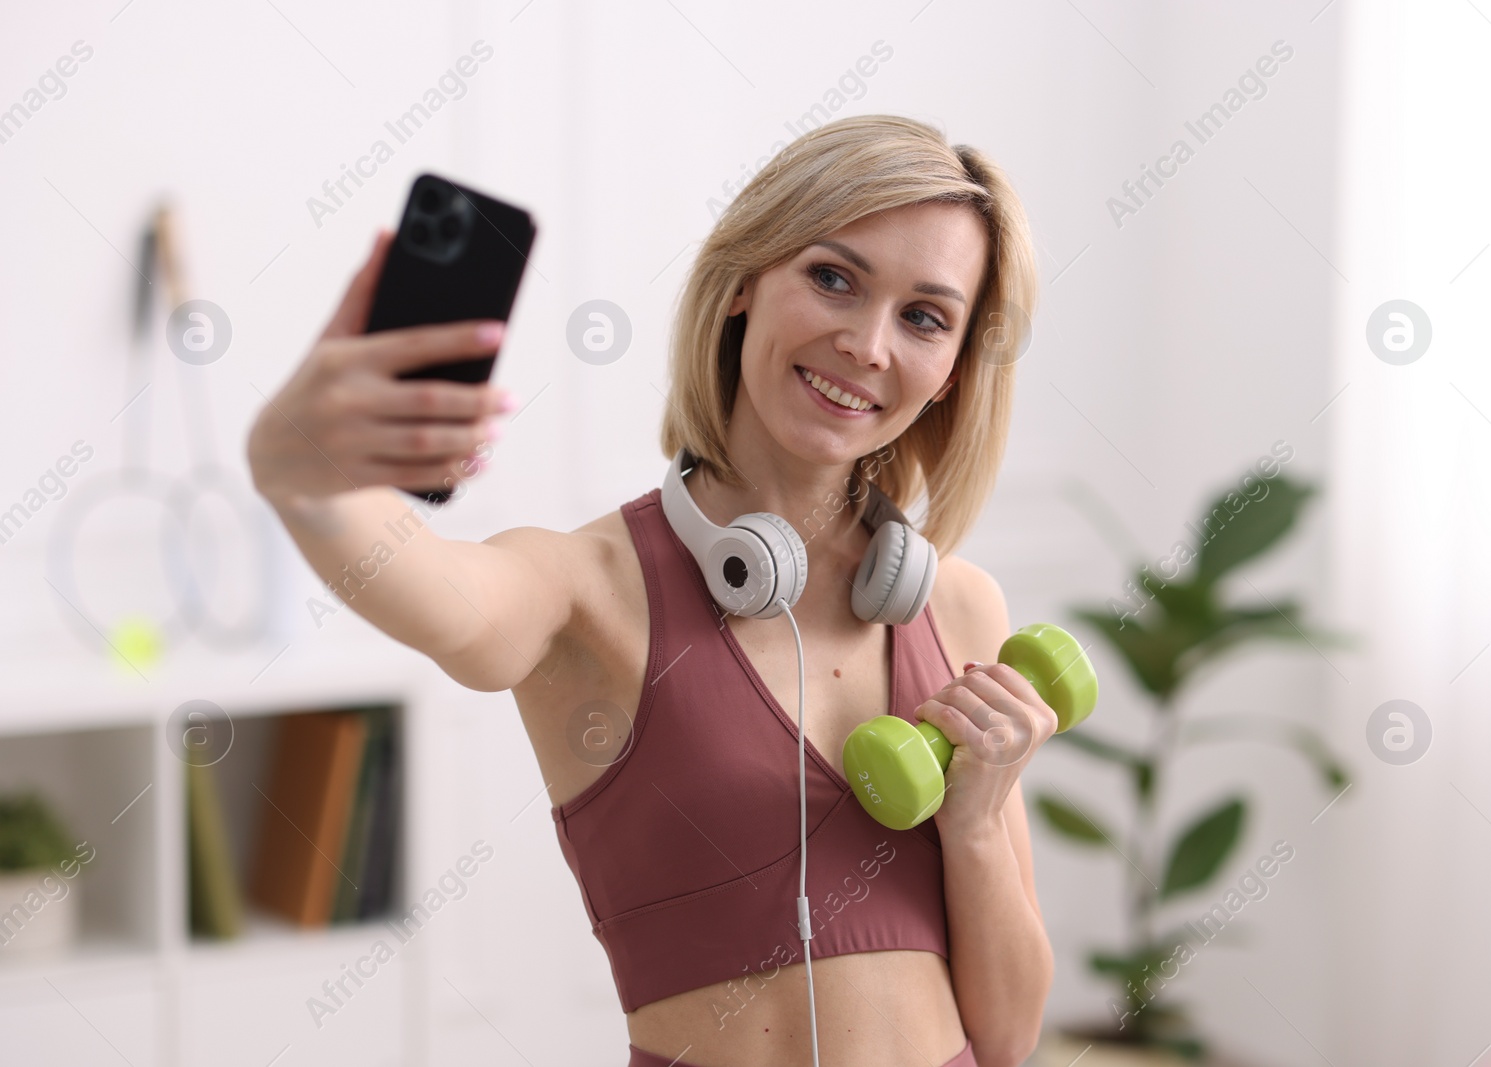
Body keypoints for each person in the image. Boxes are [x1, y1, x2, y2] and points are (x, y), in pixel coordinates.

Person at [248, 114, 1053, 1067]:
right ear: (746, 282)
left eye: (925, 316)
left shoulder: (960, 607)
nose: (868, 344)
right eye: (833, 277)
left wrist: (975, 824)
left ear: (955, 366)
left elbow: (1008, 1037)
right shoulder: (590, 586)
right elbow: (446, 598)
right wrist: (299, 477)